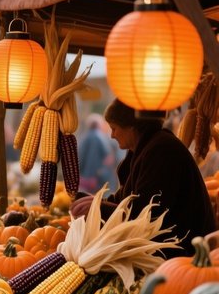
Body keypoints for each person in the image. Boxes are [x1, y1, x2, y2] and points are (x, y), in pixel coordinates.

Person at [70, 98, 216, 256]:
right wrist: (90, 202)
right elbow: (124, 200)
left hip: (187, 254)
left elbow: (146, 214)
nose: (111, 136)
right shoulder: (145, 148)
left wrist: (99, 207)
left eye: (114, 128)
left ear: (132, 127)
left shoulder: (161, 151)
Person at [78, 113, 111, 193]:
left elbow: (80, 157)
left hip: (83, 178)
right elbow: (108, 158)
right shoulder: (101, 137)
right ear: (99, 125)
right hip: (96, 178)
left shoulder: (84, 137)